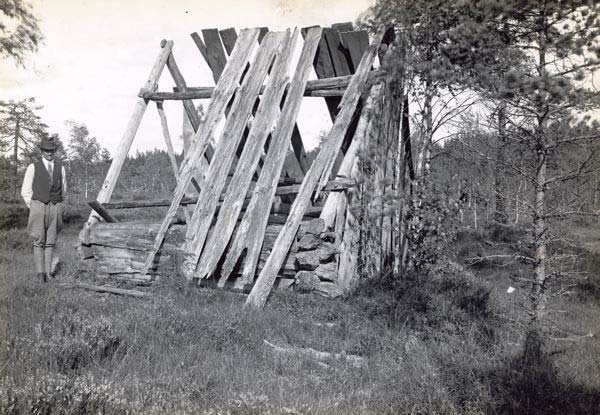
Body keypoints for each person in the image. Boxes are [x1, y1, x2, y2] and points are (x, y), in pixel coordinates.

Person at [21, 135, 67, 282]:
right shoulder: (33, 167)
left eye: (52, 150)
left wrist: (59, 206)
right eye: (46, 150)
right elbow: (26, 191)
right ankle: (40, 275)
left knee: (50, 242)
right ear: (41, 151)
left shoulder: (61, 168)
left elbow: (64, 190)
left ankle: (48, 274)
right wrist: (35, 206)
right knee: (38, 241)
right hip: (38, 207)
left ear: (55, 151)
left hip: (55, 207)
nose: (49, 153)